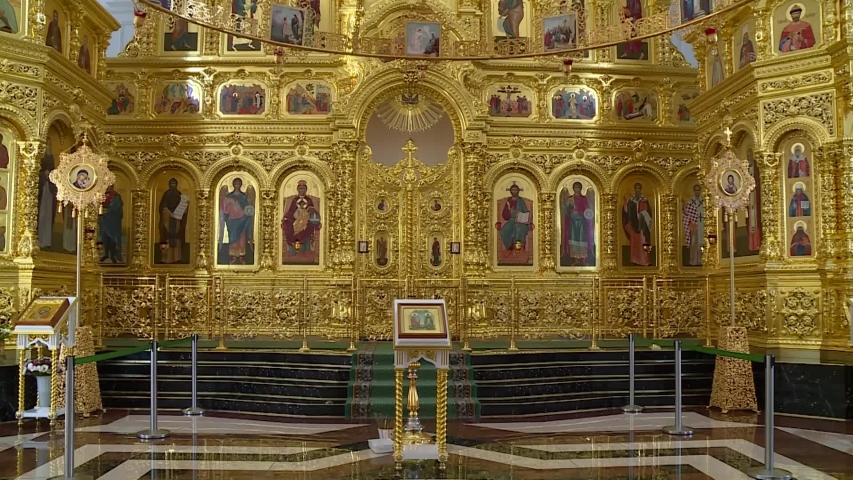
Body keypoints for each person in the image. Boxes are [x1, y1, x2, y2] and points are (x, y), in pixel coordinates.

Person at [281, 179, 321, 260]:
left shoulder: (309, 200)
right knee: (288, 225)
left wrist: (309, 212)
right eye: (300, 188)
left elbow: (313, 211)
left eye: (303, 188)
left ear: (306, 190)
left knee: (308, 226)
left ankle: (305, 251)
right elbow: (291, 211)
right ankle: (292, 251)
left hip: (307, 220)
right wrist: (288, 217)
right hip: (294, 220)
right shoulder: (294, 200)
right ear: (297, 189)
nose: (301, 190)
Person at [219, 178, 254, 265]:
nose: (237, 184)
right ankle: (234, 256)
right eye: (235, 183)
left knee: (242, 238)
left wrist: (249, 205)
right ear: (233, 184)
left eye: (239, 183)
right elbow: (225, 210)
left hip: (242, 220)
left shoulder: (243, 196)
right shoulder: (229, 196)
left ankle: (241, 256)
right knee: (233, 238)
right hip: (232, 221)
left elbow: (248, 209)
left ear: (241, 184)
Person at [560, 182, 594, 266]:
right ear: (573, 188)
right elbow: (567, 211)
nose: (577, 189)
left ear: (581, 188)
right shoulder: (570, 198)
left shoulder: (584, 198)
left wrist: (586, 213)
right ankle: (575, 259)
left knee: (582, 238)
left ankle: (584, 258)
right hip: (573, 221)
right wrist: (565, 204)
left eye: (578, 187)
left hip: (582, 221)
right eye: (575, 187)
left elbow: (588, 210)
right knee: (574, 238)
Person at [158, 178, 189, 264]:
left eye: (174, 183)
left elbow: (183, 207)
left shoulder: (179, 195)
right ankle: (166, 258)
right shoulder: (166, 194)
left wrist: (182, 210)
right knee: (167, 237)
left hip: (177, 220)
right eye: (171, 183)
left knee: (177, 238)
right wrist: (166, 211)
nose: (173, 185)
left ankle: (177, 258)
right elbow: (162, 207)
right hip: (167, 219)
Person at [495, 182, 532, 252]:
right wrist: (509, 212)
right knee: (504, 231)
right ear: (510, 191)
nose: (514, 191)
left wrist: (524, 217)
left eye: (515, 190)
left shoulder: (521, 201)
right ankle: (510, 247)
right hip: (511, 221)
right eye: (513, 190)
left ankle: (518, 248)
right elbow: (504, 215)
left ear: (518, 191)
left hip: (520, 222)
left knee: (517, 229)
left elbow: (526, 211)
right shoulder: (508, 201)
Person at [622, 182, 653, 266]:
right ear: (634, 190)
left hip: (643, 226)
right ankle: (635, 260)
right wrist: (625, 203)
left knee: (643, 241)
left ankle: (644, 261)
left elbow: (649, 213)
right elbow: (627, 211)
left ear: (641, 190)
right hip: (633, 224)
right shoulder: (631, 201)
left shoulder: (644, 200)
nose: (637, 191)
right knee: (634, 243)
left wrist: (644, 214)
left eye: (639, 189)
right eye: (636, 189)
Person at [37, 138, 57, 249]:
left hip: (49, 191)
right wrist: (42, 175)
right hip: (41, 191)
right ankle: (39, 239)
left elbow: (53, 173)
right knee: (41, 215)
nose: (47, 147)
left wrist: (49, 176)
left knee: (48, 216)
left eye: (49, 145)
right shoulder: (39, 157)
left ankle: (46, 240)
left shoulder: (51, 158)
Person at [99, 185, 123, 263]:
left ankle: (113, 255)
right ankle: (106, 254)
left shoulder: (116, 196)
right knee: (105, 237)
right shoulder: (101, 195)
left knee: (112, 238)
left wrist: (106, 211)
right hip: (104, 220)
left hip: (113, 221)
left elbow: (116, 207)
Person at [682, 185, 704, 266]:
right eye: (696, 190)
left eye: (698, 190)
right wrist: (684, 208)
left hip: (703, 225)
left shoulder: (704, 201)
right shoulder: (691, 202)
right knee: (694, 243)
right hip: (694, 226)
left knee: (702, 243)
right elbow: (686, 214)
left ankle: (701, 260)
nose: (697, 192)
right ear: (694, 191)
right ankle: (693, 261)